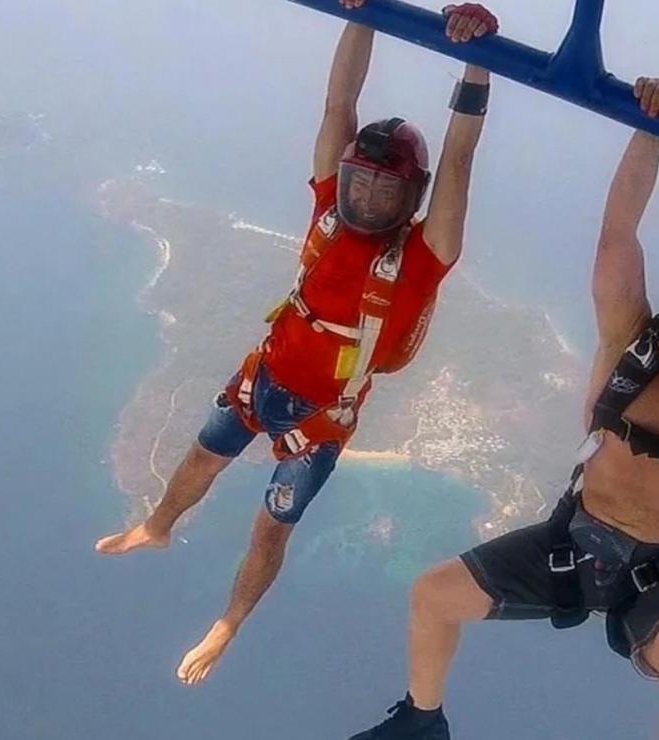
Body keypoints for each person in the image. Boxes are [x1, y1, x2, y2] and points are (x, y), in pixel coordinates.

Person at [349, 73, 659, 740]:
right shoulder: (629, 338)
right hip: (573, 540)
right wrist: (654, 126)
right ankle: (422, 722)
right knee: (432, 596)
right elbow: (617, 233)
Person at [95, 1, 502, 685]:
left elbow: (460, 153)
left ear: (414, 197)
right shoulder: (327, 208)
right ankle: (159, 523)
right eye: (360, 183)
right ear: (343, 176)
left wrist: (479, 59)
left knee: (269, 530)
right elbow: (339, 100)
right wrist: (363, 15)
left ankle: (227, 625)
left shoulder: (425, 255)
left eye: (384, 191)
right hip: (263, 376)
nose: (368, 201)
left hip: (320, 421)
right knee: (200, 461)